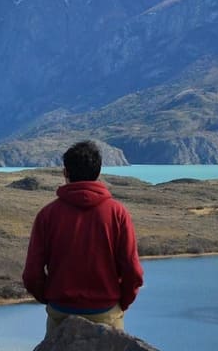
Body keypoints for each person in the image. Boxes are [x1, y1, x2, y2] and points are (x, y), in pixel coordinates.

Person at [23, 140, 144, 336]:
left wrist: (51, 299)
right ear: (98, 172)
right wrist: (121, 303)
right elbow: (133, 271)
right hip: (106, 313)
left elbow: (31, 274)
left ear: (66, 172)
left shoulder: (47, 215)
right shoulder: (118, 213)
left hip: (60, 313)